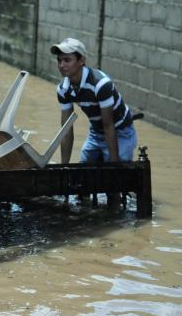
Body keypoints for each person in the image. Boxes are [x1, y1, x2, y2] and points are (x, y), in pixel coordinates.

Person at [51, 38, 137, 204]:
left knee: (113, 186)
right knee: (83, 180)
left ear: (81, 60)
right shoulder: (63, 89)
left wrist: (113, 167)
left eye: (67, 60)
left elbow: (109, 125)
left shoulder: (100, 84)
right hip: (97, 131)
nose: (62, 65)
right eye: (59, 60)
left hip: (120, 131)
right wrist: (64, 167)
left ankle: (117, 204)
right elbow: (67, 129)